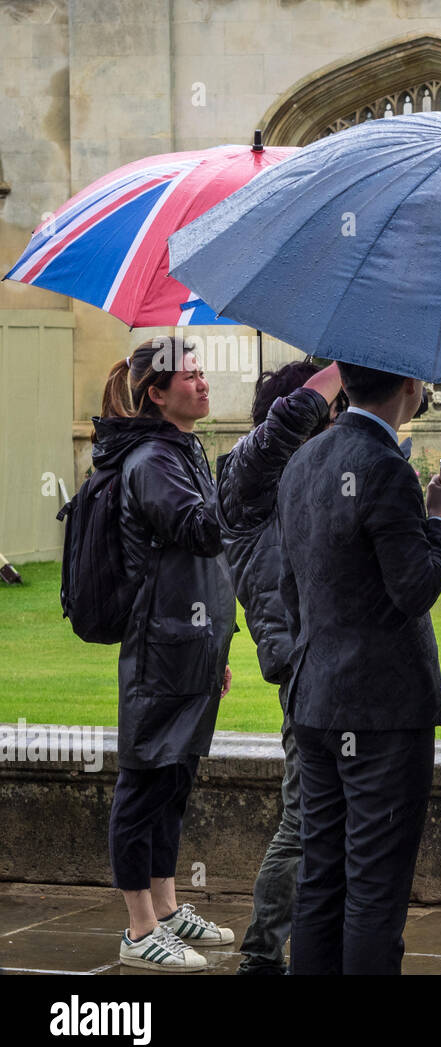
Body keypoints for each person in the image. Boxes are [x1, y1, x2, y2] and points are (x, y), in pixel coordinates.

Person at [277, 361, 441, 974]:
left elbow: (291, 588)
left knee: (322, 875)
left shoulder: (303, 459)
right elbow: (413, 588)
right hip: (379, 710)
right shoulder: (385, 467)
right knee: (376, 890)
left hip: (315, 699)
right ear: (410, 386)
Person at [93, 337, 238, 971]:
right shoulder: (153, 459)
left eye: (204, 372)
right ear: (157, 392)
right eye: (190, 376)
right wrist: (253, 472)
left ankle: (167, 906)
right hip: (160, 651)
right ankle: (138, 928)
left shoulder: (183, 451)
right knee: (145, 781)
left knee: (173, 781)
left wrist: (216, 648)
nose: (203, 383)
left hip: (192, 648)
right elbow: (202, 530)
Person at [215, 358, 343, 975]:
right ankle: (262, 956)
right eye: (329, 413)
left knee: (320, 816)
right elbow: (291, 421)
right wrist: (347, 359)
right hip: (302, 665)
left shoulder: (297, 482)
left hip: (326, 661)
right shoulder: (248, 478)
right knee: (303, 818)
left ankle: (297, 952)